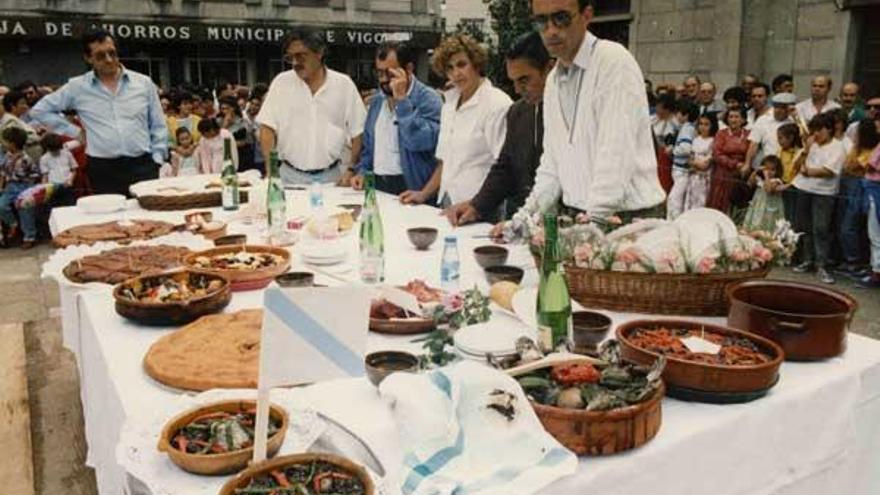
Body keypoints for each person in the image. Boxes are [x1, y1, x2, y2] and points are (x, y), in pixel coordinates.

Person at [495, 0, 665, 231]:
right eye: (541, 21)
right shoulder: (554, 79)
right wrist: (522, 219)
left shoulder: (613, 61)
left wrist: (592, 223)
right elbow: (551, 165)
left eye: (561, 18)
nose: (551, 30)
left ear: (586, 15)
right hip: (579, 216)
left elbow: (616, 153)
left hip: (626, 216)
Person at [30, 30, 168, 196]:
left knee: (149, 218)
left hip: (143, 164)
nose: (109, 59)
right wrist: (75, 132)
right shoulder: (77, 87)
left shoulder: (143, 83)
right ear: (88, 58)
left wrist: (157, 159)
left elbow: (158, 124)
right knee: (109, 219)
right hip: (103, 169)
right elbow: (39, 110)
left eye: (112, 53)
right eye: (101, 55)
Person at [444, 31, 553, 225]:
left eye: (524, 80)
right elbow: (505, 167)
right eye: (513, 81)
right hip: (524, 217)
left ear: (549, 70)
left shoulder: (573, 111)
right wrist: (477, 206)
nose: (518, 90)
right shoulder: (517, 113)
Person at [398, 34, 511, 206]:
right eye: (449, 68)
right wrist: (423, 193)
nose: (456, 73)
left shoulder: (497, 103)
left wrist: (475, 206)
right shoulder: (449, 106)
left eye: (461, 64)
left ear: (476, 64)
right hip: (448, 202)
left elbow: (505, 167)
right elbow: (446, 161)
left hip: (484, 207)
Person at [257, 30, 366, 185]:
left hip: (332, 178)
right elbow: (266, 128)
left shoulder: (343, 85)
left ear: (319, 53)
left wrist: (351, 169)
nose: (295, 63)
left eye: (301, 56)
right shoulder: (281, 83)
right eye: (290, 57)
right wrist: (270, 172)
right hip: (288, 177)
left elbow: (358, 131)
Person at [350, 41, 442, 196]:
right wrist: (363, 171)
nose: (384, 80)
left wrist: (402, 101)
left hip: (411, 187)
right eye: (379, 73)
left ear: (409, 69)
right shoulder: (378, 100)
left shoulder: (429, 99)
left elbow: (419, 142)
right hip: (378, 185)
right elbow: (369, 145)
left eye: (390, 73)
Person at [791, 112, 846, 284]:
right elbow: (797, 165)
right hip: (803, 188)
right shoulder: (811, 144)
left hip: (824, 193)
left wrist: (809, 172)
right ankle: (807, 260)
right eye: (813, 130)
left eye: (819, 130)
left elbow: (829, 171)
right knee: (804, 226)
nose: (815, 134)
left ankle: (821, 265)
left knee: (821, 228)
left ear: (829, 129)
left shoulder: (838, 147)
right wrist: (806, 150)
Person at [836, 118, 879, 277]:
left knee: (850, 226)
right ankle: (849, 260)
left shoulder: (873, 150)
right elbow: (848, 166)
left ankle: (854, 261)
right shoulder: (857, 148)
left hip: (861, 188)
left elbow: (856, 166)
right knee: (843, 224)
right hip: (847, 185)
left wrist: (855, 160)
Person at [0, 127, 41, 248]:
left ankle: (29, 236)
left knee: (25, 210)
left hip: (24, 186)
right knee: (1, 206)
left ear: (12, 143)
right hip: (10, 186)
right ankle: (13, 223)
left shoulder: (26, 159)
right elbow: (3, 172)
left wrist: (30, 189)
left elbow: (34, 174)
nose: (3, 143)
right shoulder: (6, 157)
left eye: (5, 141)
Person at [708, 107, 750, 214]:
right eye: (731, 117)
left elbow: (750, 152)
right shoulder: (721, 134)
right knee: (719, 201)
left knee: (735, 203)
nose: (733, 120)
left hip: (740, 173)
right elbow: (717, 154)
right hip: (722, 172)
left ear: (743, 120)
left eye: (736, 117)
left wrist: (744, 165)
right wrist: (735, 164)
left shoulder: (748, 134)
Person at [744, 92, 796, 169]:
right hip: (767, 164)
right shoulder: (763, 120)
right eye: (776, 107)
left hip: (788, 165)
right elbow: (753, 145)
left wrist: (797, 118)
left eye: (782, 108)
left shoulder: (794, 121)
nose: (778, 110)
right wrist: (747, 164)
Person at [667, 100, 699, 219]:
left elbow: (685, 148)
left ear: (685, 115)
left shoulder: (687, 129)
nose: (676, 116)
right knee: (679, 199)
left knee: (674, 199)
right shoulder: (687, 128)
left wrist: (673, 150)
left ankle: (672, 222)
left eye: (678, 113)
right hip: (680, 170)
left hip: (682, 170)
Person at [743, 155, 787, 232]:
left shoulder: (776, 181)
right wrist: (756, 171)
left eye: (772, 170)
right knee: (754, 224)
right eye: (767, 169)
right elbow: (749, 183)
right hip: (758, 207)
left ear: (777, 171)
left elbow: (768, 190)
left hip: (769, 209)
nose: (769, 172)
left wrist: (766, 176)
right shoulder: (760, 180)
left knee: (766, 226)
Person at [859, 143, 880, 288]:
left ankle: (877, 272)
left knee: (876, 234)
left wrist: (867, 165)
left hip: (876, 189)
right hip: (873, 188)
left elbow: (871, 165)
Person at [776, 122, 803, 225]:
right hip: (782, 184)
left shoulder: (800, 152)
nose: (779, 141)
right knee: (784, 213)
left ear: (791, 138)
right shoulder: (780, 151)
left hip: (795, 187)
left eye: (781, 138)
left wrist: (789, 184)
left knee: (793, 214)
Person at [218, 95, 250, 170]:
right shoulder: (218, 121)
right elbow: (216, 139)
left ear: (233, 108)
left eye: (227, 108)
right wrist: (225, 125)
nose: (224, 111)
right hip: (223, 156)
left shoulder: (242, 122)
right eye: (222, 109)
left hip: (240, 155)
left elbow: (246, 141)